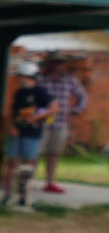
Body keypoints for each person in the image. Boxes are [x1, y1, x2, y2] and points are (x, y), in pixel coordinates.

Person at [1, 62, 52, 207]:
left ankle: (25, 196)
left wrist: (36, 117)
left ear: (28, 76)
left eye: (21, 76)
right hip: (16, 132)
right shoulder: (19, 92)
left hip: (32, 132)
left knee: (28, 165)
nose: (19, 79)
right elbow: (12, 111)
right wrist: (11, 126)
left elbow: (54, 108)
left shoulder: (40, 92)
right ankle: (7, 194)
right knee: (11, 162)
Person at [37, 53, 89, 193]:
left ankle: (50, 182)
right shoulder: (41, 79)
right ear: (49, 63)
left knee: (54, 153)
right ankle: (28, 181)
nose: (57, 65)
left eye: (59, 62)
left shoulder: (70, 80)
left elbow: (83, 96)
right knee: (35, 152)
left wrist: (75, 111)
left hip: (61, 122)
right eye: (54, 62)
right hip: (42, 121)